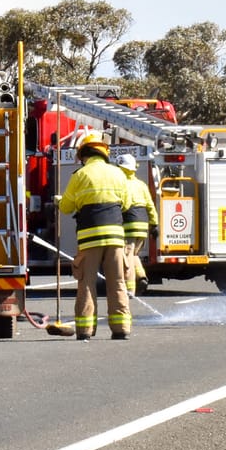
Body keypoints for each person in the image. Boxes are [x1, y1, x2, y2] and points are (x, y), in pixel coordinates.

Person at [56, 131, 129, 340]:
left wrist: (58, 201)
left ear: (83, 155)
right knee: (117, 282)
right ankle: (121, 328)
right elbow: (127, 204)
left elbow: (67, 207)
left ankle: (85, 330)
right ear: (104, 153)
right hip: (116, 236)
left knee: (87, 283)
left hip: (89, 238)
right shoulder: (118, 174)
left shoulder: (80, 175)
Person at [115, 154, 157, 309]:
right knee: (133, 255)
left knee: (126, 258)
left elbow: (120, 205)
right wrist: (154, 223)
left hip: (129, 223)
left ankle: (130, 289)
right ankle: (141, 276)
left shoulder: (121, 183)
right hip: (142, 224)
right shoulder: (141, 184)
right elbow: (150, 205)